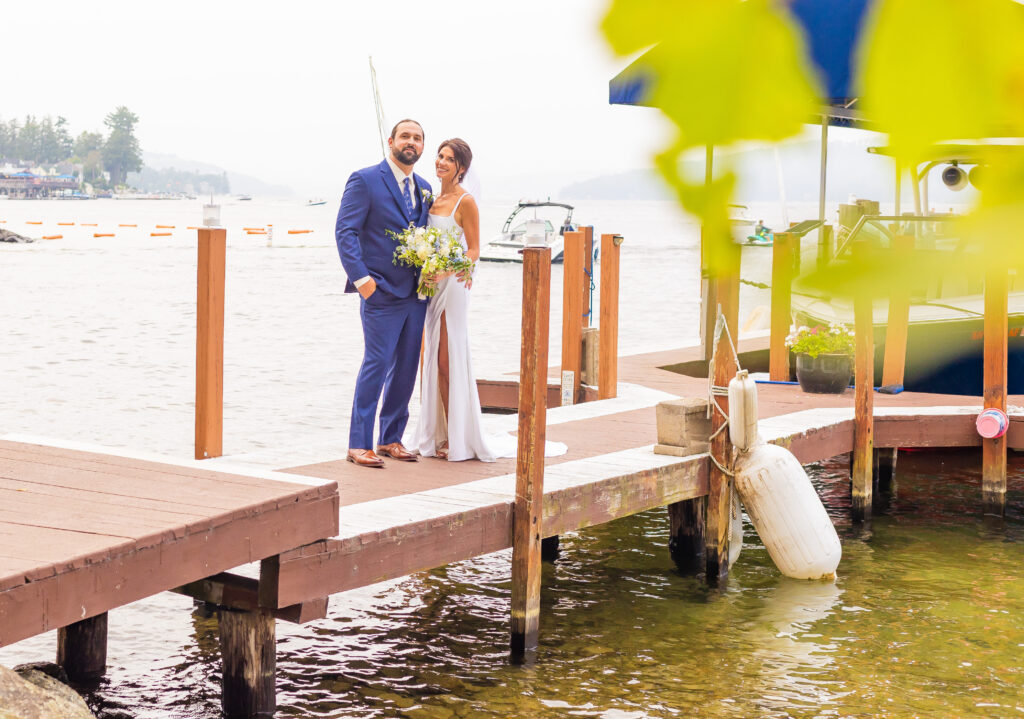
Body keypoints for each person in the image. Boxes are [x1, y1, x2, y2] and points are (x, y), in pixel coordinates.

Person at [414, 138, 567, 462]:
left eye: (449, 159)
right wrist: (426, 268)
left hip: (453, 285)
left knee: (447, 359)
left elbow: (473, 251)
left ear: (461, 168)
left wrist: (445, 271)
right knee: (433, 362)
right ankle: (441, 434)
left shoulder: (465, 202)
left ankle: (458, 437)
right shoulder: (431, 199)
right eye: (439, 156)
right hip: (432, 287)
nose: (441, 162)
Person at [336, 119, 433, 468]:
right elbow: (345, 232)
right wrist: (362, 281)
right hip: (379, 291)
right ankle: (358, 443)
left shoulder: (423, 187)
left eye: (418, 138)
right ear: (390, 141)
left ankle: (391, 437)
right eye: (405, 136)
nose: (411, 142)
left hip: (416, 293)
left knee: (406, 367)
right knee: (376, 364)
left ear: (422, 146)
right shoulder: (364, 180)